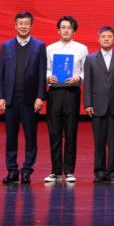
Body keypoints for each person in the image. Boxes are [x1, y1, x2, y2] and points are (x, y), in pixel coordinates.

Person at [0, 11, 47, 184]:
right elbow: (1, 73)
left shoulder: (39, 46)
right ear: (15, 25)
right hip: (10, 99)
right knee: (11, 137)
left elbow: (41, 73)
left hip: (30, 100)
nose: (23, 26)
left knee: (31, 137)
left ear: (31, 25)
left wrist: (40, 96)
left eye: (26, 23)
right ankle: (12, 171)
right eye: (20, 23)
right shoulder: (6, 46)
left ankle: (26, 170)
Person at [83, 25, 114, 182]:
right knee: (99, 141)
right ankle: (99, 171)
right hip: (97, 105)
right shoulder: (90, 59)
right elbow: (88, 83)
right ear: (98, 39)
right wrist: (88, 103)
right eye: (103, 36)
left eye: (109, 36)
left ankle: (113, 172)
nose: (106, 39)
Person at [44, 15, 88, 183]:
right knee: (54, 132)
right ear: (58, 30)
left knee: (70, 132)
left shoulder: (81, 49)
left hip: (72, 92)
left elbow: (86, 71)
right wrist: (49, 77)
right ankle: (55, 171)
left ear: (74, 31)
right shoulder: (50, 48)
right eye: (63, 27)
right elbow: (46, 69)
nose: (66, 30)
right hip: (54, 92)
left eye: (69, 27)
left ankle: (69, 170)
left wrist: (79, 78)